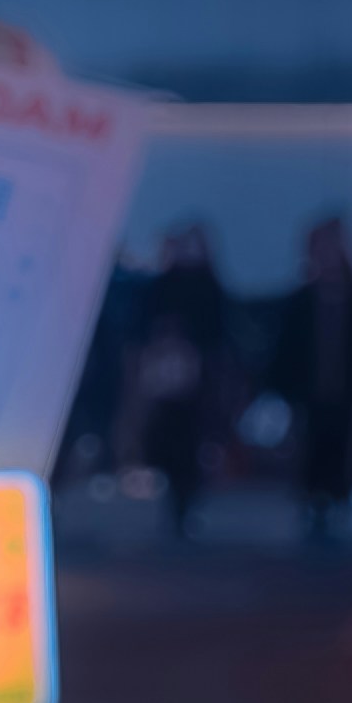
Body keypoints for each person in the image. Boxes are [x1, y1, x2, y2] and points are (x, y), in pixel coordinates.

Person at [124, 223, 236, 540]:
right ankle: (177, 503)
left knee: (190, 443)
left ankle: (184, 503)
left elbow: (217, 338)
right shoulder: (163, 287)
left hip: (196, 384)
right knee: (168, 441)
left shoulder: (205, 288)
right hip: (164, 383)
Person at [285, 212, 352, 539]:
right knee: (313, 446)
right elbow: (290, 346)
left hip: (346, 390)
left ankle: (338, 499)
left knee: (343, 446)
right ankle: (314, 500)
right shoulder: (304, 298)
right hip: (313, 389)